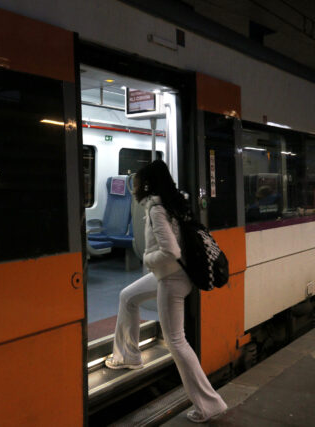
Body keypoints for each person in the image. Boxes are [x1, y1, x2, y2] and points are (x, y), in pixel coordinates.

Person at [104, 160, 228, 423]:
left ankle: (210, 405)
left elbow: (171, 251)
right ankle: (128, 355)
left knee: (176, 342)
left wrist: (148, 259)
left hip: (171, 279)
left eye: (137, 182)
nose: (134, 187)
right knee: (128, 297)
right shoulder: (171, 204)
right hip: (174, 275)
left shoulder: (157, 210)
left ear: (147, 185)